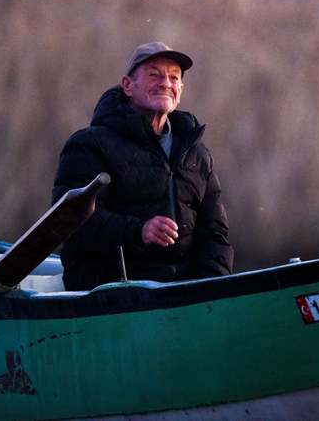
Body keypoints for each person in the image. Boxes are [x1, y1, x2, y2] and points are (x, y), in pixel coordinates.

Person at [52, 42, 233, 291]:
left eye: (173, 77)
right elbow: (70, 221)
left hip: (183, 296)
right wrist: (139, 231)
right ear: (128, 85)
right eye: (153, 74)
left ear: (180, 89)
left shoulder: (198, 155)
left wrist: (208, 290)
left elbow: (214, 234)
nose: (165, 83)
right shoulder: (89, 145)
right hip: (108, 296)